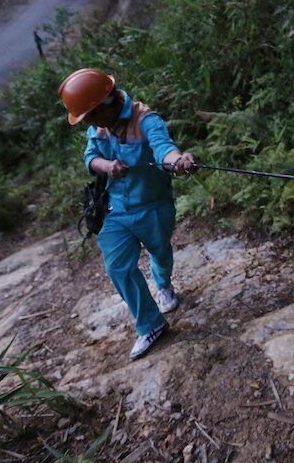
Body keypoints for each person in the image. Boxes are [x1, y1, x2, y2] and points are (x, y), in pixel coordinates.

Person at [58, 68, 198, 359]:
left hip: (154, 206)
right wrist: (107, 166)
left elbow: (164, 151)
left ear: (105, 104)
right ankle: (151, 324)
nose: (90, 123)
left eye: (90, 116)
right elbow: (90, 157)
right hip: (116, 210)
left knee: (160, 254)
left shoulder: (146, 120)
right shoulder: (97, 127)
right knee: (118, 267)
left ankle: (164, 285)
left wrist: (179, 161)